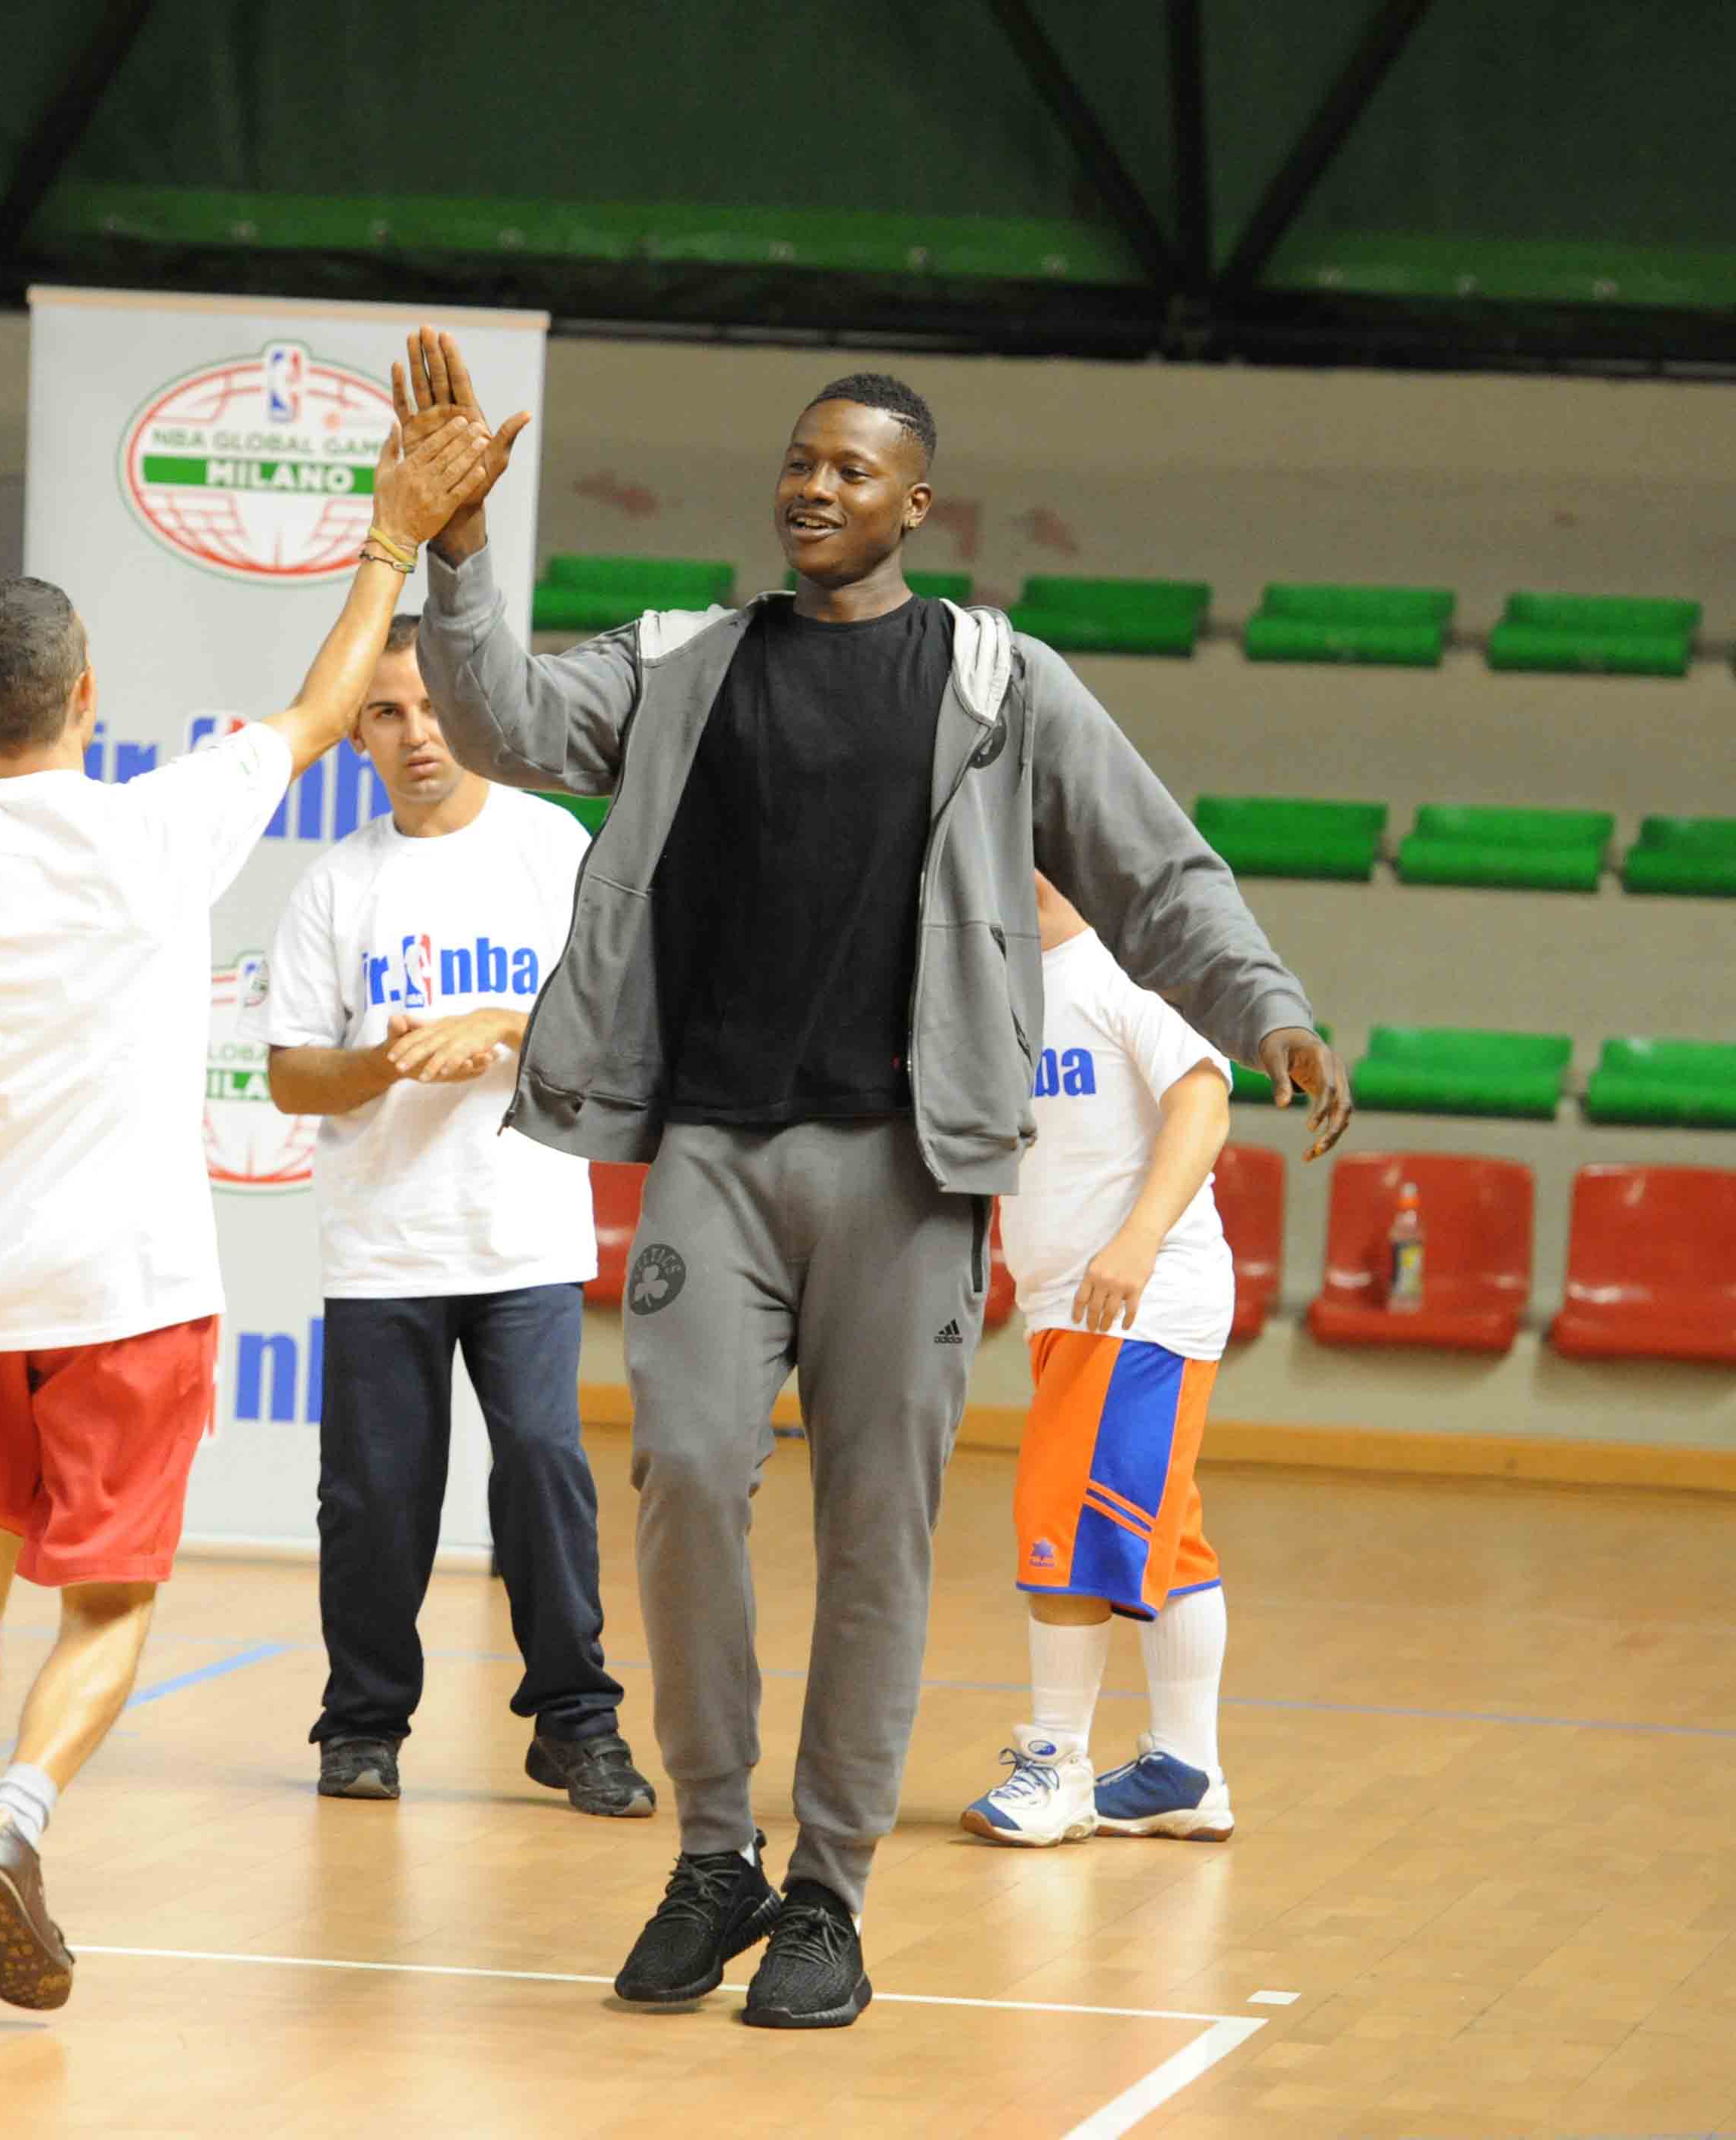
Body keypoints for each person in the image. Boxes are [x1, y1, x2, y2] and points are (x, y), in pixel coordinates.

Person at [397, 328, 1348, 2029]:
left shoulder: (998, 682)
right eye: (797, 460)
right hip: (709, 1151)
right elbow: (511, 718)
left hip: (908, 1178)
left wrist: (1262, 1005)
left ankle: (824, 1893)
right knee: (684, 1482)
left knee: (875, 1540)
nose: (813, 487)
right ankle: (712, 1856)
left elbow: (1149, 863)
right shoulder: (688, 657)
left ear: (917, 502)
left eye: (851, 469)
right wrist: (457, 556)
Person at [0, 404, 490, 2011]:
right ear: (84, 697)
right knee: (113, 1605)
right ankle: (16, 1811)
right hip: (127, 1289)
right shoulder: (156, 822)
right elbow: (331, 702)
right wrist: (390, 538)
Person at [247, 614, 652, 1817]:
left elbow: (623, 1019)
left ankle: (574, 1721)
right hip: (383, 1244)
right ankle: (362, 1724)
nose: (416, 734)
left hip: (522, 1228)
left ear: (472, 710)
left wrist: (505, 1025)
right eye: (386, 713)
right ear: (359, 734)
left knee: (541, 1464)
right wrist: (376, 1067)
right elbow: (287, 1077)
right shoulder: (336, 883)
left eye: (433, 706)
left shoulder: (549, 844)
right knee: (374, 1499)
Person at [961, 874, 1238, 1848]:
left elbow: (1204, 1102)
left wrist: (1139, 1239)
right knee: (1167, 1536)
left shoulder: (1129, 973)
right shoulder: (993, 982)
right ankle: (1184, 1770)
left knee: (1064, 1522)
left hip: (1137, 1301)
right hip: (1065, 1306)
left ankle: (1057, 1766)